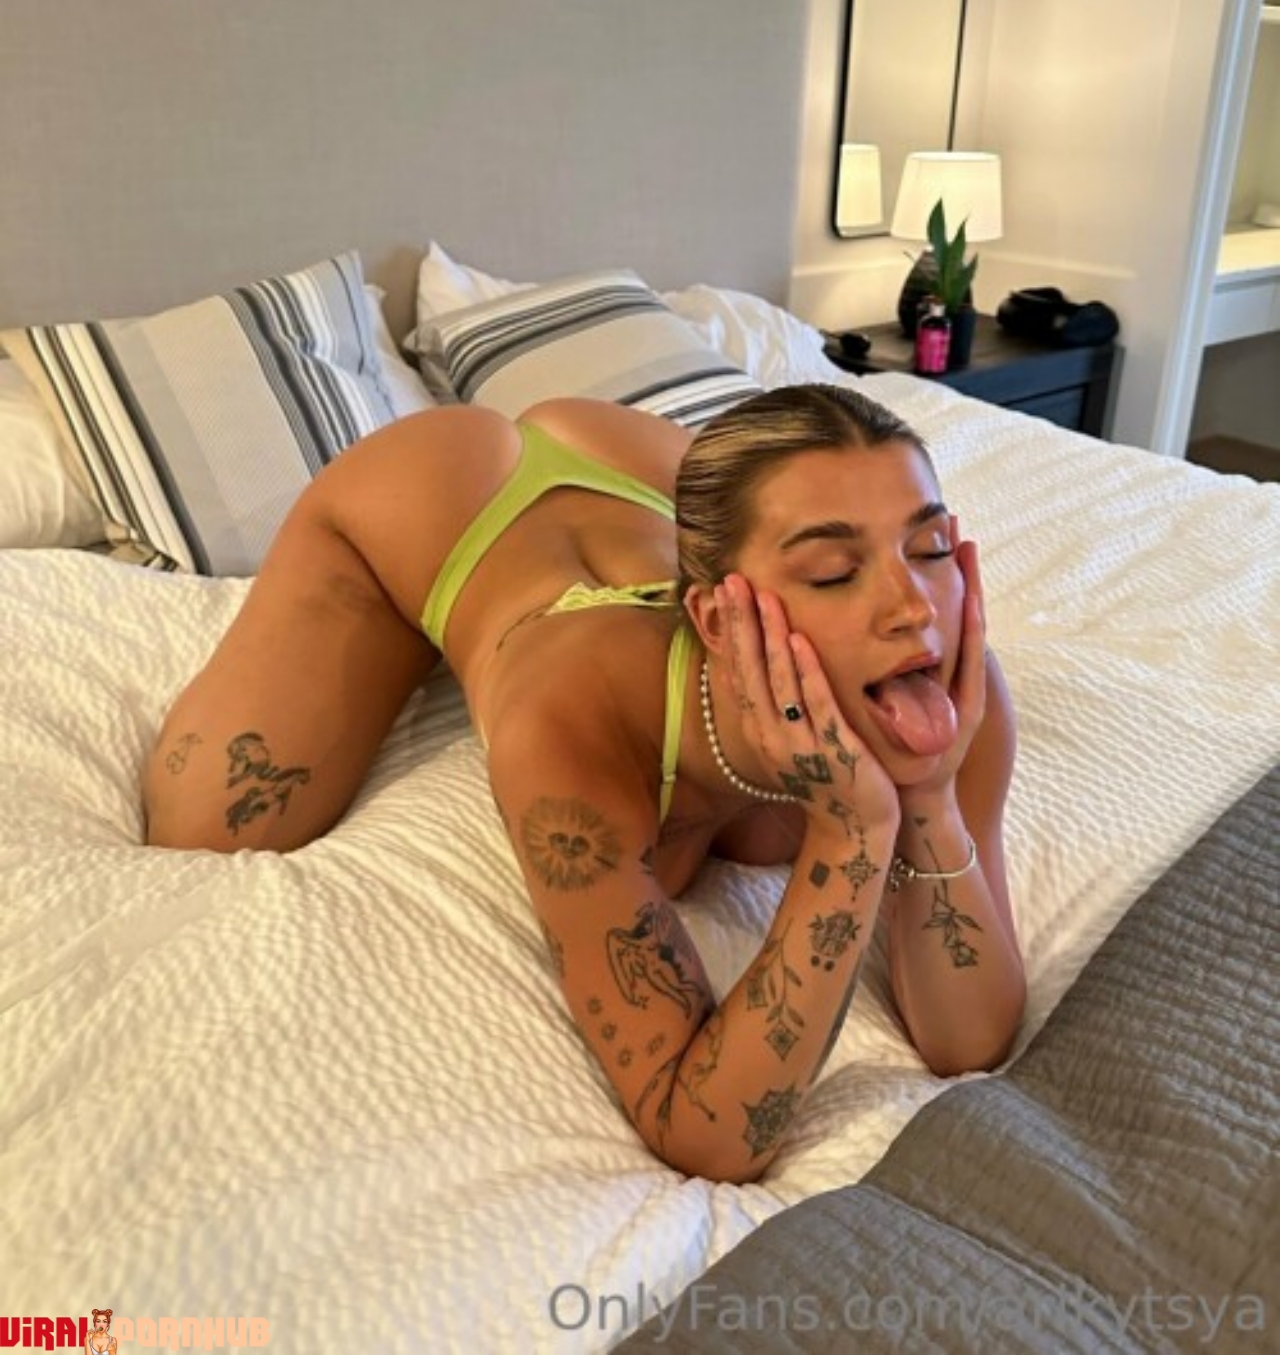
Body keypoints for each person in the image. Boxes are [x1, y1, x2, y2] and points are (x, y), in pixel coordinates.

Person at [144, 383, 1025, 1182]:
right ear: (717, 618)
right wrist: (850, 832)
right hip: (433, 497)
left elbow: (970, 1038)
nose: (915, 608)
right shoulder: (571, 717)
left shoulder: (942, 688)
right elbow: (706, 1131)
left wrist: (926, 796)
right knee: (210, 824)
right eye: (835, 572)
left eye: (929, 547)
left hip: (633, 465)